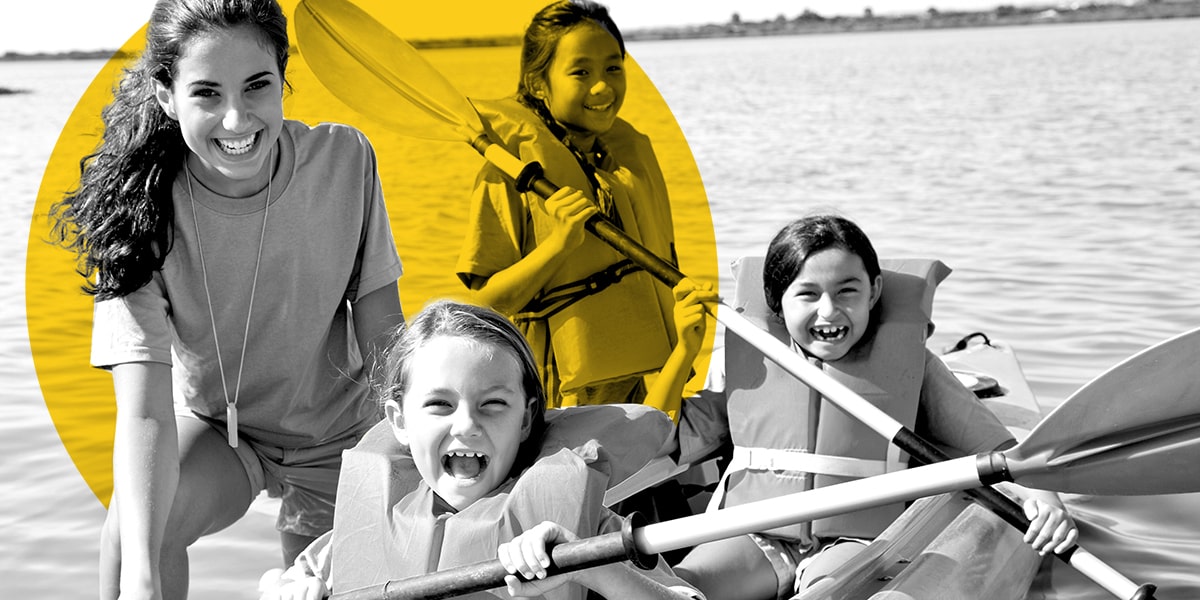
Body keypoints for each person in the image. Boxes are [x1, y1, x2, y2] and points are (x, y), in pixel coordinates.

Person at [49, 0, 404, 598]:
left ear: (283, 75)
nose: (237, 119)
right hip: (224, 433)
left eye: (257, 86)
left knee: (318, 589)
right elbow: (144, 412)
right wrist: (141, 577)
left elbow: (384, 331)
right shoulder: (134, 213)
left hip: (345, 437)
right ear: (166, 94)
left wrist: (410, 452)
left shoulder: (345, 160)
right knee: (133, 533)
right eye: (207, 93)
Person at [648, 215, 1078, 600]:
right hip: (756, 530)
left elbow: (1000, 450)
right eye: (808, 294)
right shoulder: (747, 365)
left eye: (846, 291)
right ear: (777, 300)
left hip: (855, 540)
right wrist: (685, 349)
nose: (829, 311)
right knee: (676, 587)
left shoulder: (917, 369)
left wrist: (1047, 502)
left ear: (874, 291)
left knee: (830, 595)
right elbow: (662, 440)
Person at [260, 300, 703, 600]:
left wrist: (587, 566)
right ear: (399, 421)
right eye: (439, 405)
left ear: (526, 418)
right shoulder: (352, 537)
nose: (467, 424)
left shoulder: (579, 533)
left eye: (493, 405)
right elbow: (280, 582)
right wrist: (286, 587)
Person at [457, 0, 679, 407]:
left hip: (631, 387)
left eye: (614, 68)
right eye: (581, 72)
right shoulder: (509, 171)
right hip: (550, 396)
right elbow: (483, 304)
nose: (602, 87)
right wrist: (559, 244)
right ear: (539, 83)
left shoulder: (621, 159)